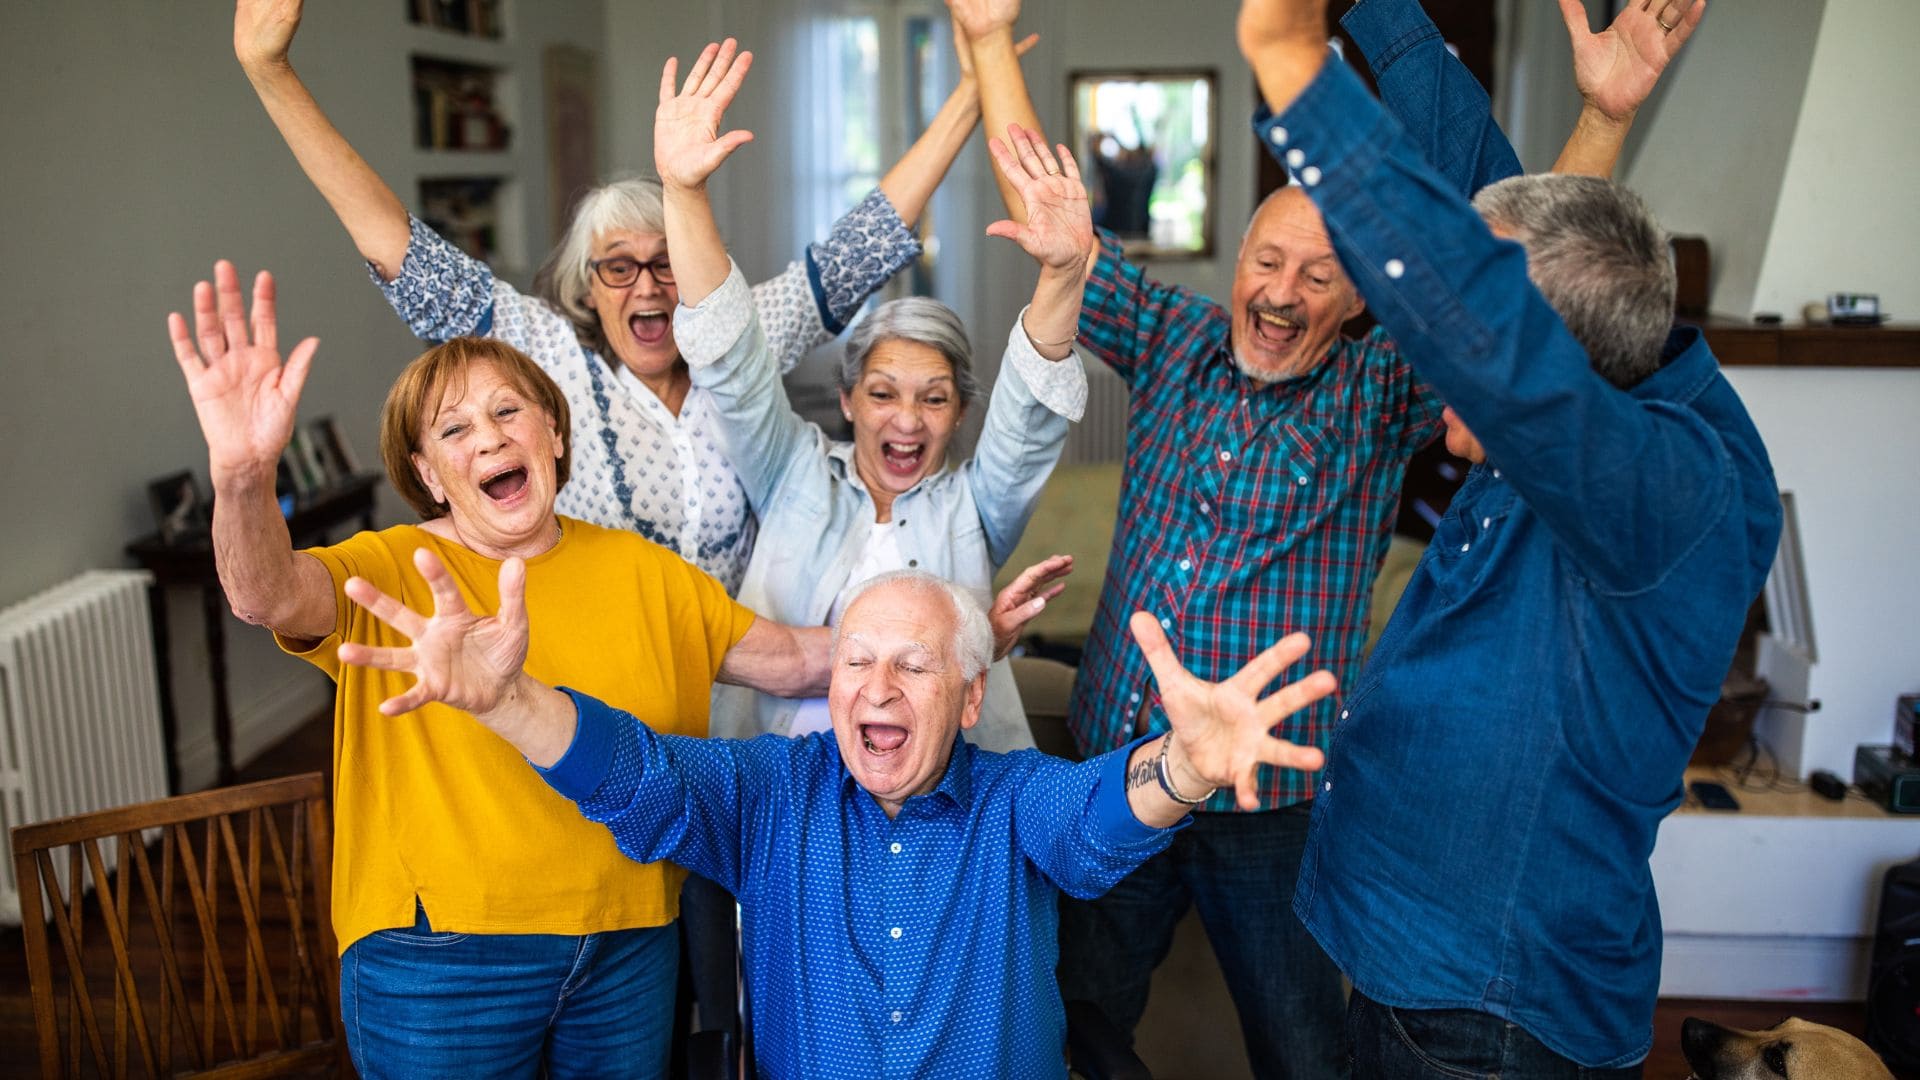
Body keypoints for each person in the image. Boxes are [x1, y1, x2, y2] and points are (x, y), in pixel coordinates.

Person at [947, 2, 1701, 1073]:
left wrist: (1602, 116)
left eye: (1316, 275)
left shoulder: (1382, 390)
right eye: (1267, 262)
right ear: (1235, 263)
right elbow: (1049, 208)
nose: (1281, 293)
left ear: (1358, 300)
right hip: (1125, 756)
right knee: (1081, 1010)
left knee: (1301, 1046)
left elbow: (1516, 290)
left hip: (1273, 800)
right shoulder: (1175, 340)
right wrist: (984, 38)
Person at [1234, 0, 1781, 1076]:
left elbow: (1483, 313)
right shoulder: (1611, 350)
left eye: (1465, 353)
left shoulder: (1677, 489)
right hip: (1407, 964)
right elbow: (1469, 203)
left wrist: (1296, 70)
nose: (1434, 372)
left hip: (1486, 1018)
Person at [164, 248, 844, 1077]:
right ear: (429, 474)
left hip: (628, 946)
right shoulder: (388, 566)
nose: (488, 438)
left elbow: (799, 662)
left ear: (553, 432)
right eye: (454, 430)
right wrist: (241, 479)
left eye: (508, 412)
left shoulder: (646, 571)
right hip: (439, 957)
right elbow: (264, 593)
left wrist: (955, 630)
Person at [330, 549, 1341, 1076]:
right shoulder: (773, 793)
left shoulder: (1013, 798)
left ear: (969, 695)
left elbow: (1095, 822)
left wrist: (1187, 767)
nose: (877, 687)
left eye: (913, 664)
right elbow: (638, 775)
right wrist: (506, 702)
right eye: (856, 662)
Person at [233, 0, 1030, 594]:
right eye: (619, 266)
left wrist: (970, 88)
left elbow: (866, 240)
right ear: (588, 285)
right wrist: (270, 75)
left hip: (738, 693)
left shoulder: (738, 336)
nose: (648, 285)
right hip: (603, 690)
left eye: (666, 262)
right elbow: (393, 244)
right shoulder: (544, 358)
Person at [657, 41, 1093, 753]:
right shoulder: (793, 471)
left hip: (937, 803)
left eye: (935, 398)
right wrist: (683, 191)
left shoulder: (974, 509)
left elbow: (1029, 413)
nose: (907, 419)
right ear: (849, 400)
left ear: (958, 412)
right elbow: (732, 362)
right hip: (784, 786)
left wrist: (1064, 275)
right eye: (884, 392)